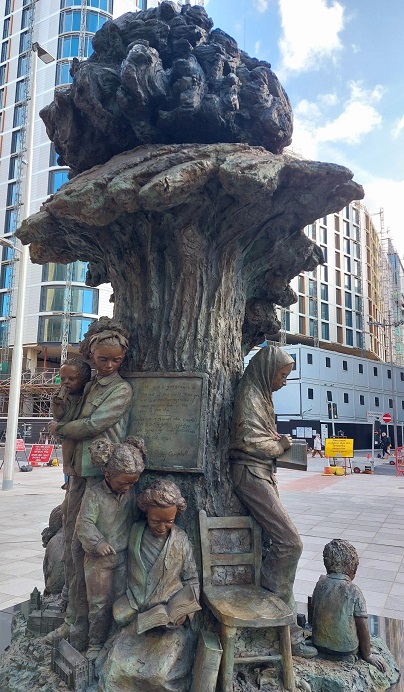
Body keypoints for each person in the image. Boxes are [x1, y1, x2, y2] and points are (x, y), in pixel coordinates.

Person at [46, 317, 133, 651]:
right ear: (92, 359)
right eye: (103, 360)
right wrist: (62, 403)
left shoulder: (121, 390)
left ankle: (84, 628)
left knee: (85, 549)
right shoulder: (91, 386)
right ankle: (72, 619)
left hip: (100, 474)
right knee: (70, 543)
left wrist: (62, 430)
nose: (110, 365)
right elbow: (70, 416)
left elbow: (96, 423)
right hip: (79, 471)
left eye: (116, 360)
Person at [229, 345, 317, 658]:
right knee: (290, 543)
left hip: (261, 473)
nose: (284, 381)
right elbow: (247, 439)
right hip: (249, 475)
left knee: (276, 545)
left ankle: (284, 623)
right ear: (268, 371)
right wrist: (279, 444)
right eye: (282, 375)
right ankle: (277, 621)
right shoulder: (250, 396)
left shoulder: (260, 394)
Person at [98, 479, 200, 691]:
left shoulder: (181, 541)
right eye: (156, 521)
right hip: (138, 618)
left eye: (169, 521)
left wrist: (184, 612)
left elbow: (191, 579)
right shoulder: (134, 533)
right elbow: (121, 570)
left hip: (169, 625)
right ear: (146, 514)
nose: (162, 527)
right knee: (116, 670)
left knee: (160, 675)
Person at [76, 436, 146, 660]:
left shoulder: (130, 494)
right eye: (124, 482)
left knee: (120, 598)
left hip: (124, 557)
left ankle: (116, 638)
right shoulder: (95, 495)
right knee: (99, 603)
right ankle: (95, 642)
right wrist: (98, 543)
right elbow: (84, 523)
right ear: (108, 475)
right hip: (99, 561)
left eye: (132, 483)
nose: (127, 487)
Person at [311, 539, 386, 671]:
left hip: (318, 644)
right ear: (350, 567)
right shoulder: (354, 590)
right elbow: (362, 625)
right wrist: (367, 654)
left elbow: (313, 612)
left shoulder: (320, 583)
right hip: (345, 650)